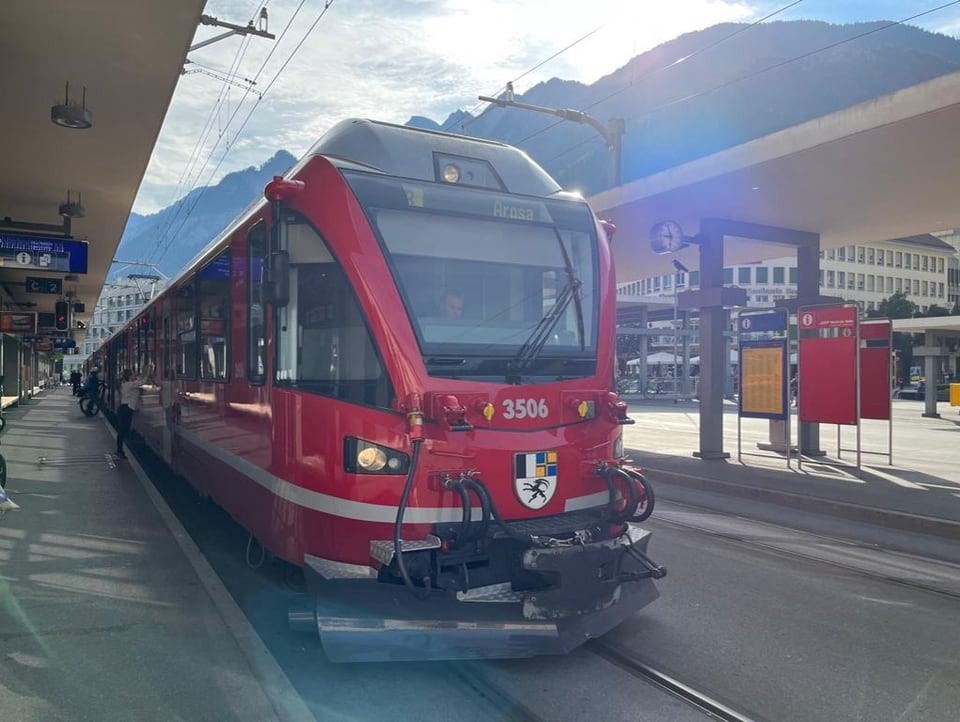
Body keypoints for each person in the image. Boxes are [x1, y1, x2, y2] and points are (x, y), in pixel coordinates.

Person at [115, 367, 153, 460]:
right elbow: (142, 382)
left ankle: (119, 450)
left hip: (125, 409)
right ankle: (119, 451)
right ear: (129, 376)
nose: (135, 375)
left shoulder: (127, 384)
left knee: (123, 430)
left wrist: (141, 375)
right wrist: (147, 373)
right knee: (123, 430)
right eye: (133, 374)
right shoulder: (130, 385)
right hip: (126, 409)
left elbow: (139, 381)